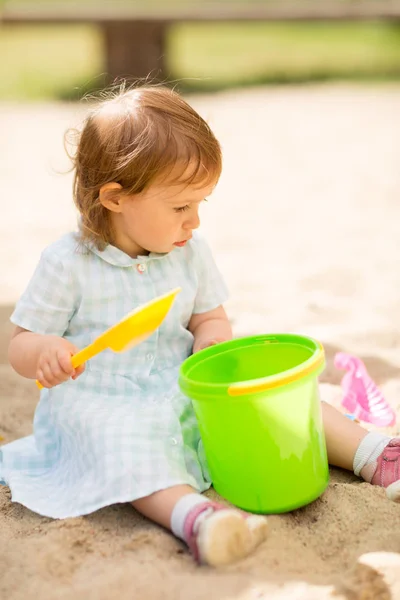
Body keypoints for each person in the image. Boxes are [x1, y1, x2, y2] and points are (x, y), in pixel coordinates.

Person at [1, 86, 399, 568]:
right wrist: (45, 351)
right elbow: (18, 344)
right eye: (180, 207)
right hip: (101, 398)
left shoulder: (189, 252)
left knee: (278, 401)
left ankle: (377, 454)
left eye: (200, 204)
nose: (194, 221)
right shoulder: (67, 264)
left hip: (183, 383)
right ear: (115, 198)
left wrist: (210, 342)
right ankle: (196, 519)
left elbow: (209, 316)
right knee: (122, 445)